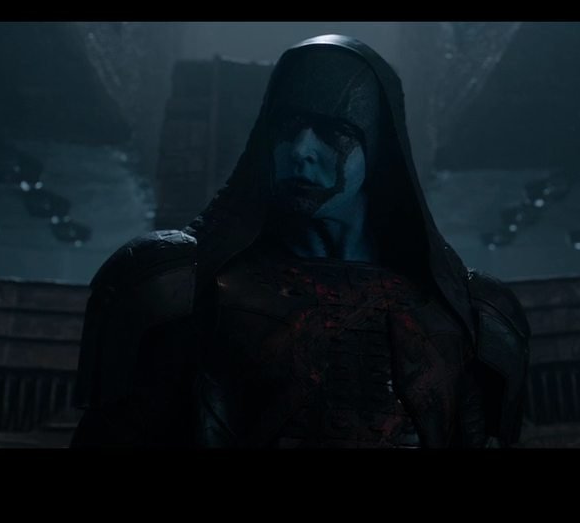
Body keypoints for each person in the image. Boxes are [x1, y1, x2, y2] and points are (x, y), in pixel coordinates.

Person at [71, 35, 529, 448]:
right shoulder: (178, 290)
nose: (300, 150)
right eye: (287, 127)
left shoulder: (467, 311)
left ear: (378, 148)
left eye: (333, 132)